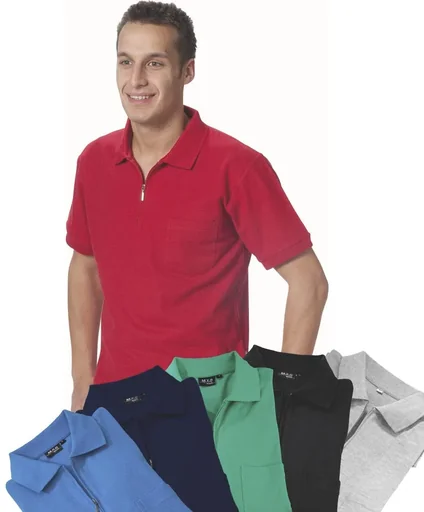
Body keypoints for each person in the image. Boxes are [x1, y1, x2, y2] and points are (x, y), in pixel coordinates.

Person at [66, 1, 328, 412]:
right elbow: (85, 266)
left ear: (187, 71)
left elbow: (308, 281)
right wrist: (83, 381)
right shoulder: (94, 161)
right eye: (125, 62)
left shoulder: (237, 167)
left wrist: (282, 396)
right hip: (115, 403)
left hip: (208, 409)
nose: (136, 80)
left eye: (154, 63)